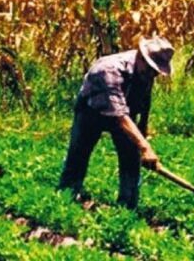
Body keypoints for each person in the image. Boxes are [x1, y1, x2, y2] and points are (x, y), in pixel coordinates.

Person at [57, 36, 174, 209]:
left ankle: (127, 208)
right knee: (78, 155)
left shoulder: (146, 72)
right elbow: (119, 116)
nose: (152, 75)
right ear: (141, 58)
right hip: (91, 110)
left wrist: (142, 131)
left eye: (156, 72)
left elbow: (144, 100)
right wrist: (145, 148)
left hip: (124, 110)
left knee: (131, 159)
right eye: (150, 70)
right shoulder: (108, 70)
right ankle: (65, 198)